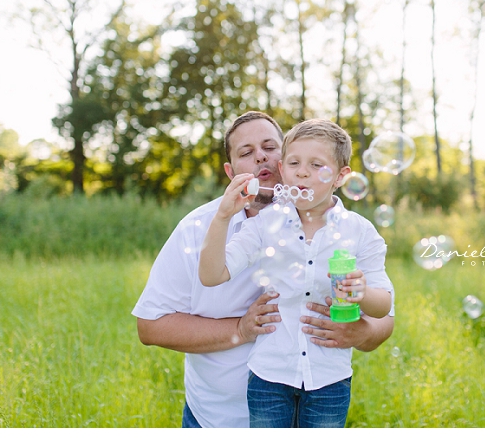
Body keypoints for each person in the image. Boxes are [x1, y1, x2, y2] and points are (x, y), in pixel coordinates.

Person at [132, 112, 394, 428]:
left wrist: (361, 330)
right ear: (231, 172)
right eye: (246, 152)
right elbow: (151, 325)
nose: (261, 157)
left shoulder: (351, 230)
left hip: (322, 387)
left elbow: (383, 316)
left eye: (271, 146)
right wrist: (239, 330)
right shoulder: (205, 227)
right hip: (218, 419)